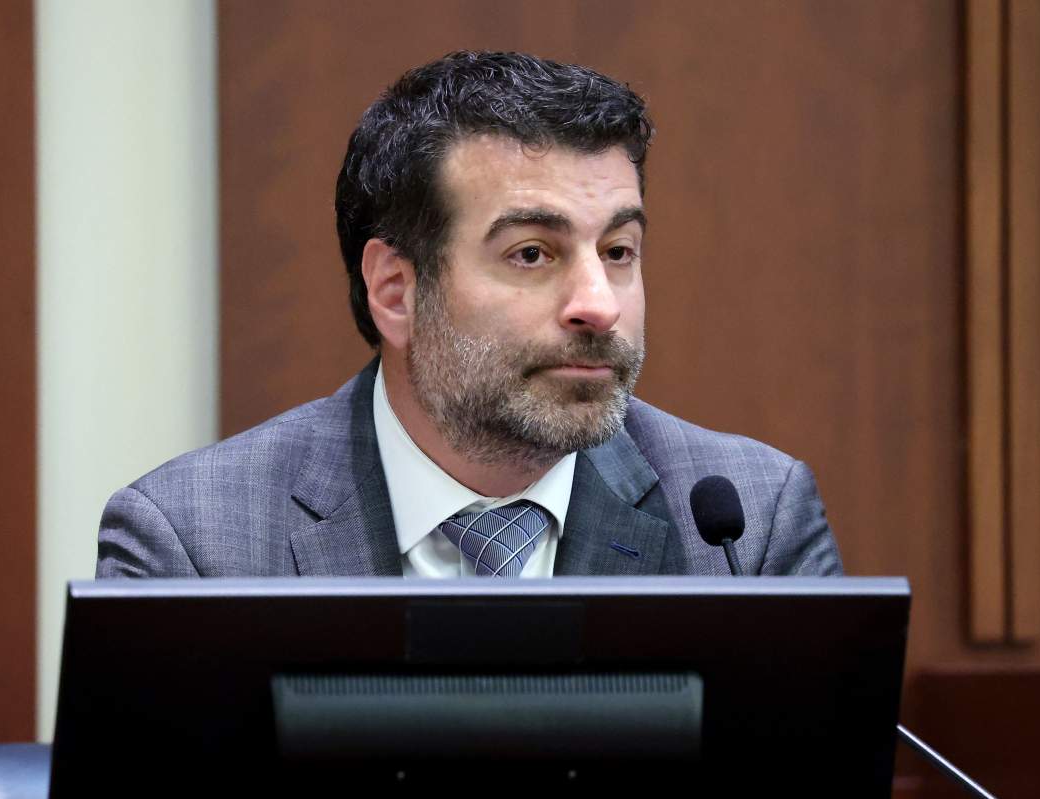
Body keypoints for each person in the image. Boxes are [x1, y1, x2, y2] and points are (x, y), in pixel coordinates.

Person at [97, 51, 842, 579]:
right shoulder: (195, 545)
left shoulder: (746, 528)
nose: (598, 305)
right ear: (395, 290)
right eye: (532, 254)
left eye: (618, 251)